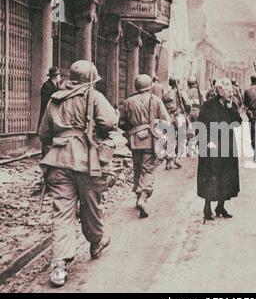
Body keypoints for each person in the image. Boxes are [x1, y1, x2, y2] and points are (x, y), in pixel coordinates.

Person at [38, 60, 119, 287]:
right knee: (91, 206)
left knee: (61, 213)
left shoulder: (55, 98)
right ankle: (96, 241)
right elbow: (111, 121)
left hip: (58, 161)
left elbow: (43, 133)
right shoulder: (93, 96)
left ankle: (58, 267)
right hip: (87, 160)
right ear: (89, 79)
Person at [119, 74, 171, 219]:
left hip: (135, 140)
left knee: (137, 167)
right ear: (149, 86)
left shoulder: (128, 101)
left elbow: (121, 123)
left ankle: (137, 196)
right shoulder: (156, 100)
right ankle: (143, 196)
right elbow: (166, 120)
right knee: (147, 169)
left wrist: (131, 130)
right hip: (151, 139)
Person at [197, 77, 242, 222]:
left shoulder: (231, 106)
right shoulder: (208, 106)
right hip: (211, 145)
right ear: (220, 91)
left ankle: (221, 206)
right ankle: (207, 207)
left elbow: (238, 123)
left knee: (227, 176)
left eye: (231, 91)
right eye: (228, 91)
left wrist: (231, 109)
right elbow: (201, 126)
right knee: (210, 175)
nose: (231, 94)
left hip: (227, 145)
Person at [162, 77, 192, 170]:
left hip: (169, 117)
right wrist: (187, 113)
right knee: (181, 138)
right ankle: (177, 157)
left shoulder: (167, 93)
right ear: (178, 83)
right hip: (179, 116)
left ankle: (168, 161)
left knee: (170, 138)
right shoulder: (182, 92)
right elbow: (187, 104)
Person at [39, 67, 61, 156]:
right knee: (46, 135)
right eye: (59, 76)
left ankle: (50, 156)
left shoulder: (56, 86)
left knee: (52, 135)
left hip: (54, 113)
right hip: (47, 113)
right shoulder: (47, 86)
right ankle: (45, 155)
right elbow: (46, 101)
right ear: (56, 76)